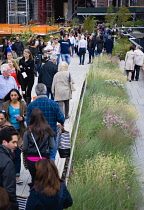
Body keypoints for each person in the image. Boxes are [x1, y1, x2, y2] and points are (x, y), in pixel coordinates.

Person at [26, 83, 65, 161]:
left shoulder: (31, 105)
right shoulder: (53, 104)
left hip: (36, 135)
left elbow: (28, 122)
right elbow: (61, 119)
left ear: (36, 92)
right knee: (51, 156)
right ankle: (50, 171)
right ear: (46, 91)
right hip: (51, 133)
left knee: (38, 157)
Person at [23, 108, 54, 185]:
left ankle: (34, 193)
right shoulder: (48, 130)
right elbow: (52, 146)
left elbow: (25, 147)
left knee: (34, 179)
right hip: (44, 159)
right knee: (43, 181)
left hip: (31, 159)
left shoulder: (28, 131)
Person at [2, 89, 26, 183]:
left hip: (20, 131)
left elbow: (28, 115)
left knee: (17, 153)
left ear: (18, 96)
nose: (13, 97)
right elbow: (2, 116)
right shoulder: (6, 105)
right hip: (9, 131)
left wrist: (22, 118)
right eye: (11, 95)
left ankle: (17, 175)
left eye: (15, 95)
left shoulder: (22, 104)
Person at [0, 126, 19, 210]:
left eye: (17, 142)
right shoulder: (7, 162)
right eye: (13, 142)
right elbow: (10, 189)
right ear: (4, 142)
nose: (16, 145)